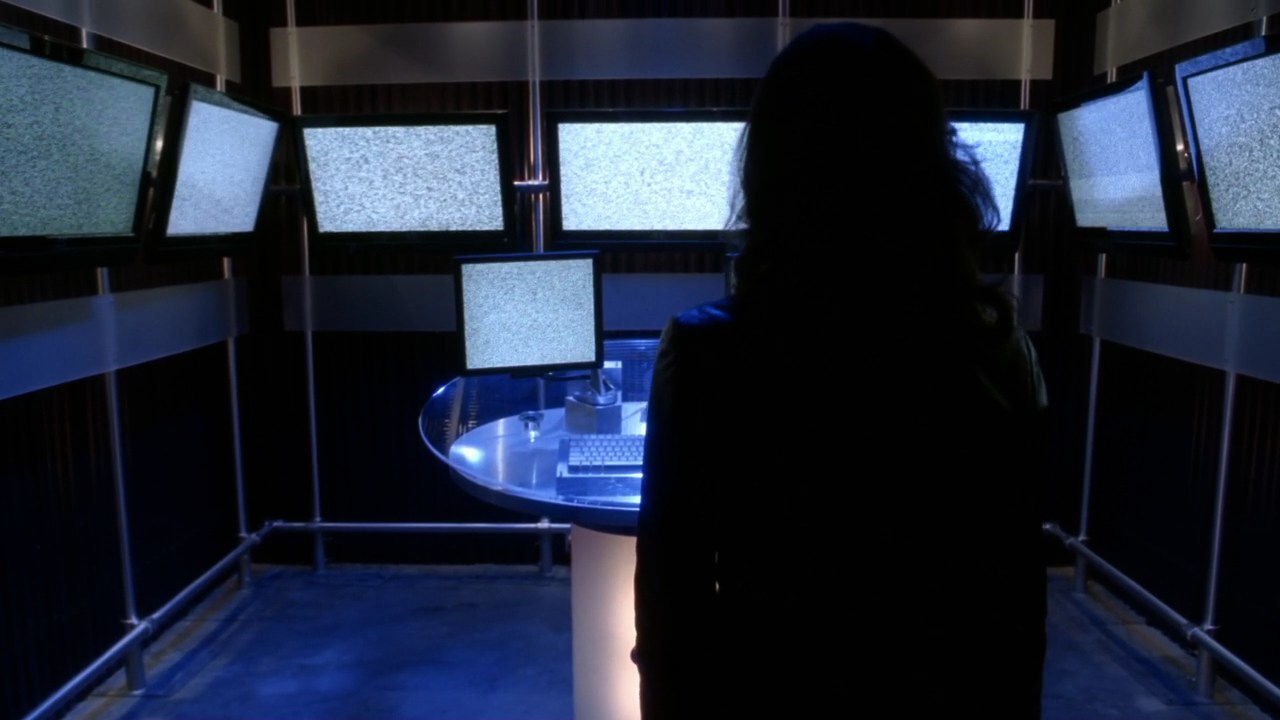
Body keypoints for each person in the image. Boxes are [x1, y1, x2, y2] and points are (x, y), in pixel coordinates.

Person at [633, 21, 1050, 718]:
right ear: (933, 169)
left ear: (768, 171)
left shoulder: (710, 354)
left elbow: (672, 617)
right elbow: (1015, 610)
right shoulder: (998, 352)